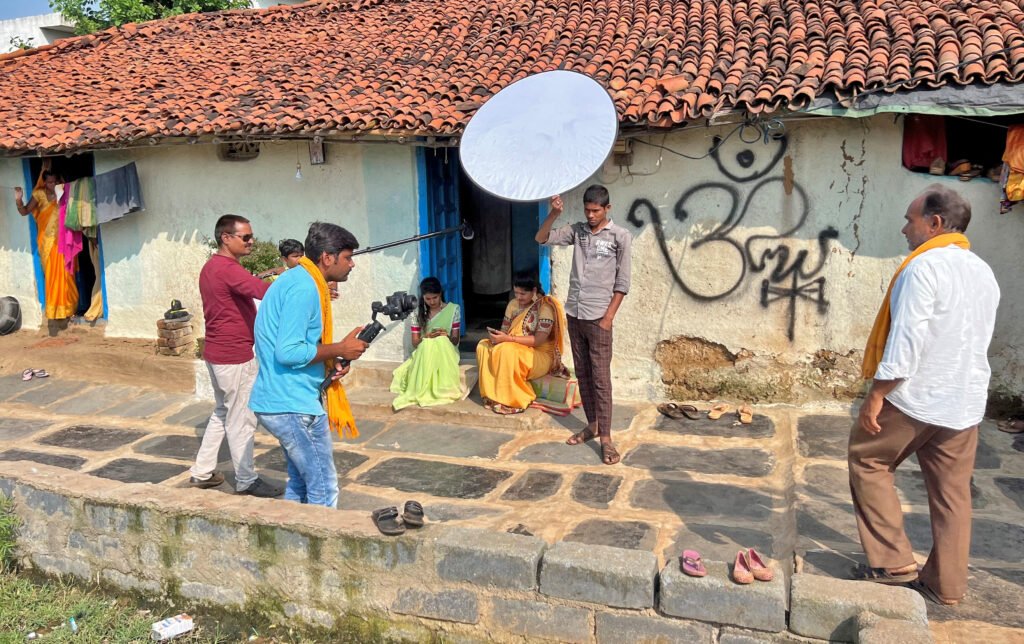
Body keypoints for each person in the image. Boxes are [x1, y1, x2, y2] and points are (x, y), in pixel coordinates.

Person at [849, 185, 999, 606]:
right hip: (964, 399)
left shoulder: (923, 267)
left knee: (868, 459)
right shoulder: (982, 271)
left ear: (934, 223)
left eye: (909, 220)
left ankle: (892, 562)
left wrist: (877, 393)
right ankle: (946, 586)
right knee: (953, 494)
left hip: (916, 396)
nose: (904, 229)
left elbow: (906, 340)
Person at [250, 222, 368, 508]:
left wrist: (332, 358)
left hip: (284, 398)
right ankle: (321, 536)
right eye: (347, 257)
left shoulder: (298, 279)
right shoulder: (304, 287)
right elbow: (288, 352)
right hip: (292, 403)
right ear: (327, 258)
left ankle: (290, 534)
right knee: (323, 488)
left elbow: (297, 345)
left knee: (300, 483)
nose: (352, 264)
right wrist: (340, 348)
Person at [536, 185, 632, 465]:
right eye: (587, 210)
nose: (590, 215)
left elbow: (623, 282)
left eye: (596, 211)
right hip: (575, 315)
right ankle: (592, 425)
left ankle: (607, 439)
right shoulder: (577, 231)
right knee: (584, 375)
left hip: (599, 318)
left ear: (607, 208)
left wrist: (608, 318)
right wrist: (554, 214)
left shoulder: (620, 236)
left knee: (601, 378)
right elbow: (541, 238)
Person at [189, 214, 283, 497]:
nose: (251, 241)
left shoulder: (213, 266)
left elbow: (248, 288)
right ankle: (246, 480)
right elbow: (265, 292)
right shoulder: (228, 269)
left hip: (217, 352)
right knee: (242, 419)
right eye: (246, 237)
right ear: (226, 238)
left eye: (251, 236)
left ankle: (202, 471)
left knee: (223, 412)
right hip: (234, 355)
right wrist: (301, 278)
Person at [476, 274, 567, 415]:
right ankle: (492, 396)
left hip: (539, 355)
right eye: (516, 293)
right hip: (514, 347)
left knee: (507, 350)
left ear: (534, 290)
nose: (518, 297)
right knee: (483, 346)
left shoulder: (545, 307)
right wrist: (497, 337)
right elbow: (505, 331)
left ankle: (515, 399)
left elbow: (538, 340)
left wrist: (508, 339)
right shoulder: (513, 304)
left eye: (523, 294)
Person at [13, 166, 79, 320]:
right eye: (49, 182)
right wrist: (18, 200)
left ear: (59, 180)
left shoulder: (64, 193)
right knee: (52, 276)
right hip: (47, 243)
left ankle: (69, 310)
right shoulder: (39, 195)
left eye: (55, 181)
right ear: (44, 183)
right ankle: (56, 311)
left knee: (66, 274)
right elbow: (24, 211)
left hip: (64, 242)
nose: (52, 184)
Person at [390, 277, 464, 410]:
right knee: (427, 344)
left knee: (441, 340)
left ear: (440, 294)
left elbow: (455, 340)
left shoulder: (454, 309)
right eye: (428, 299)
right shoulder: (417, 313)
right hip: (424, 350)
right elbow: (415, 343)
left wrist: (445, 335)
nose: (432, 302)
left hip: (446, 351)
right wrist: (427, 337)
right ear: (423, 297)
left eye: (435, 297)